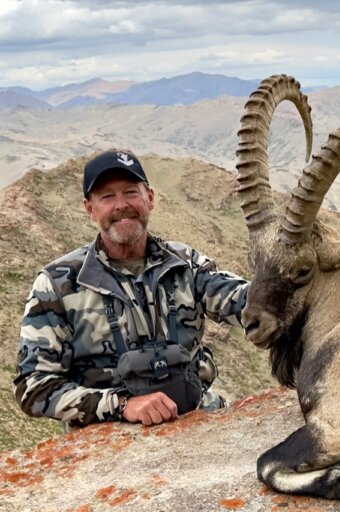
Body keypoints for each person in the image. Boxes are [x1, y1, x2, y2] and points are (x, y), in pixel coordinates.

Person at [14, 150, 250, 429]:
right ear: (90, 209)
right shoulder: (58, 284)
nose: (122, 205)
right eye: (107, 197)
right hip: (110, 434)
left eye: (130, 192)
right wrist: (122, 405)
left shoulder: (185, 263)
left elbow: (252, 304)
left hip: (197, 414)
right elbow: (33, 386)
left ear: (150, 198)